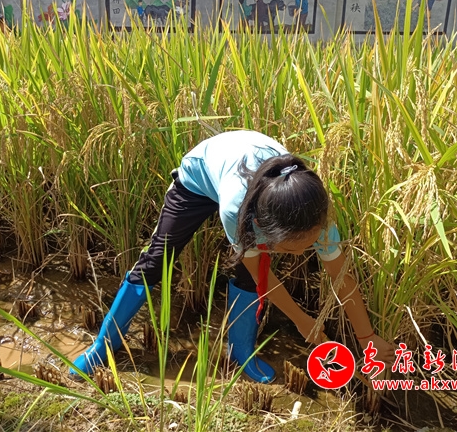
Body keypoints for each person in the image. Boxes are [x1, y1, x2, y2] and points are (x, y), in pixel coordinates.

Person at [70, 131, 395, 383]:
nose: (302, 254)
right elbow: (262, 277)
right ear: (267, 229)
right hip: (199, 178)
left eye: (308, 245)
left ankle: (240, 351)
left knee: (248, 274)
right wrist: (301, 320)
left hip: (261, 188)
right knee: (157, 260)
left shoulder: (316, 215)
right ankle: (103, 345)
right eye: (292, 249)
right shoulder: (235, 209)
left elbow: (342, 278)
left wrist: (368, 338)